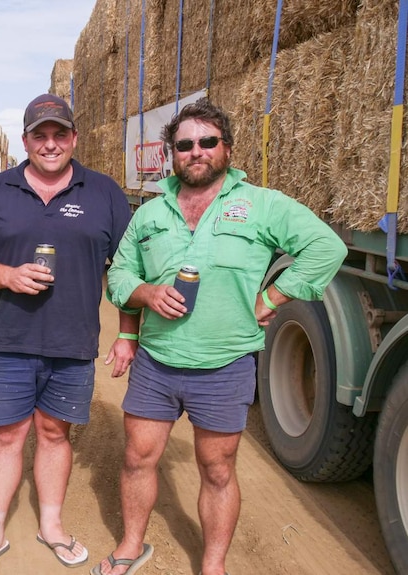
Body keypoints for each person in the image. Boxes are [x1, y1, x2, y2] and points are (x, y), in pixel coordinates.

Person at [96, 98, 347, 575]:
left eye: (207, 142)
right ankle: (131, 546)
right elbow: (119, 276)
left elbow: (325, 247)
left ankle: (213, 565)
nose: (196, 151)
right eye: (184, 144)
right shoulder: (150, 215)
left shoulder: (261, 205)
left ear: (227, 149)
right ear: (171, 153)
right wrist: (145, 292)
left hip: (225, 365)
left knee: (217, 469)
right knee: (137, 458)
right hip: (157, 362)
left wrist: (273, 298)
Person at [0, 93, 134, 575]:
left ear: (74, 138)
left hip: (74, 344)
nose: (50, 144)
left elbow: (130, 263)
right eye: (40, 135)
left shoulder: (104, 192)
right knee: (7, 436)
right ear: (25, 140)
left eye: (60, 134)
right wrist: (7, 276)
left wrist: (129, 330)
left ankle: (50, 525)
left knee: (56, 434)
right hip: (10, 341)